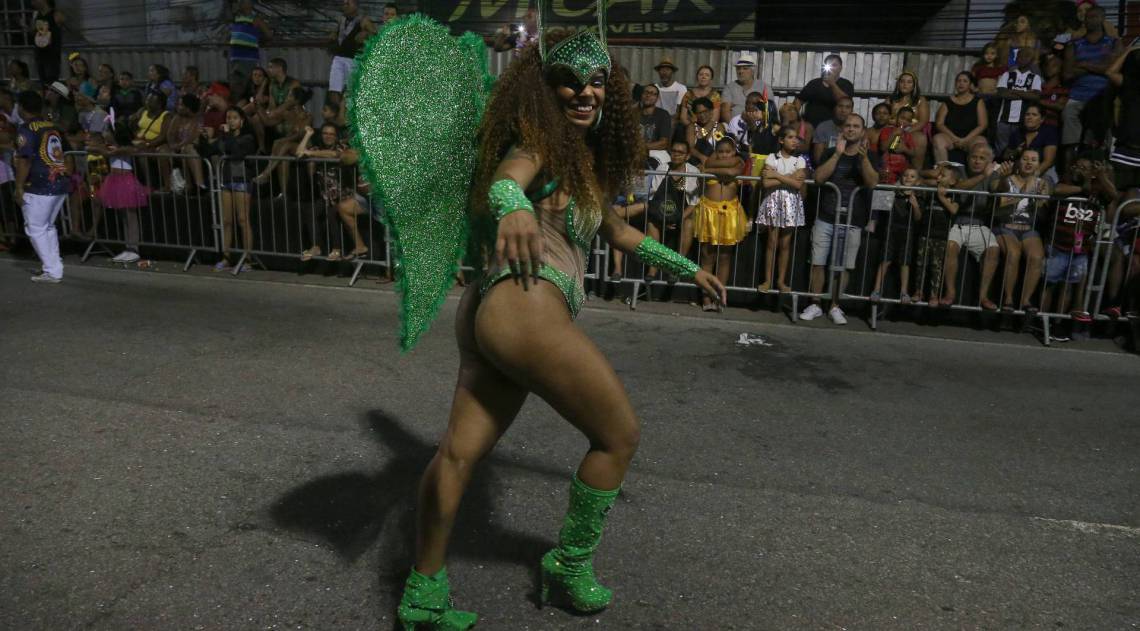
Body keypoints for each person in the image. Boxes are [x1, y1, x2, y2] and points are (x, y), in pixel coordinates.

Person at [345, 15, 726, 628]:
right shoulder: (538, 142)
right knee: (618, 436)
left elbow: (618, 230)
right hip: (526, 305)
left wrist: (687, 266)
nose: (585, 91)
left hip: (493, 315)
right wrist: (513, 208)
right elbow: (506, 183)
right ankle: (568, 567)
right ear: (541, 89)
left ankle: (423, 595)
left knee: (458, 454)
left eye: (598, 81)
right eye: (568, 81)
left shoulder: (580, 163)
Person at [801, 113, 880, 324]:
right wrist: (837, 155)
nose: (851, 129)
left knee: (843, 266)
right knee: (818, 262)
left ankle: (835, 305)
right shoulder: (830, 152)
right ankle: (816, 303)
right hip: (826, 216)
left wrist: (863, 159)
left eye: (856, 126)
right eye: (848, 126)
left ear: (863, 131)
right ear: (842, 130)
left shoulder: (870, 156)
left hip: (853, 219)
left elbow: (872, 183)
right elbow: (818, 178)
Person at [1044, 156, 1117, 321]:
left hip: (1080, 247)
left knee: (1068, 286)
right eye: (1077, 166)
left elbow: (1113, 194)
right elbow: (1056, 190)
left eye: (1084, 168)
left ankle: (1057, 322)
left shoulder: (1098, 188)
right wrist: (1082, 189)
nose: (1078, 170)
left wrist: (1101, 176)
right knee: (1050, 284)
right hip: (1058, 244)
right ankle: (1041, 320)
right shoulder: (1066, 181)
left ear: (1092, 172)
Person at [13, 90, 72, 283]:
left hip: (40, 185)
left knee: (36, 228)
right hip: (59, 181)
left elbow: (25, 160)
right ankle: (55, 267)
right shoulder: (52, 126)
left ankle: (52, 270)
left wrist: (19, 187)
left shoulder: (27, 128)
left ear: (22, 107)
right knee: (48, 227)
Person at [939, 142, 1001, 310]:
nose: (977, 161)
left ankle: (983, 296)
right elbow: (959, 187)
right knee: (950, 247)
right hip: (958, 223)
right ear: (968, 158)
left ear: (989, 161)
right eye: (974, 157)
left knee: (993, 249)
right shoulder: (960, 171)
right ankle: (950, 293)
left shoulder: (993, 175)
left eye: (982, 158)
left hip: (979, 225)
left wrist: (1003, 179)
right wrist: (982, 176)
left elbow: (997, 189)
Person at [296, 123, 368, 261]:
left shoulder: (342, 147)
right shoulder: (317, 148)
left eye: (331, 134)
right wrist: (308, 134)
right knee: (309, 210)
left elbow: (336, 155)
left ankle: (336, 249)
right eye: (325, 133)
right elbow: (299, 152)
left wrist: (311, 153)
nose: (328, 136)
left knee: (332, 212)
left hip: (343, 194)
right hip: (326, 196)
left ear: (336, 136)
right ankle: (316, 246)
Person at [197, 107, 257, 272]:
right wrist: (203, 139)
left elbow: (237, 153)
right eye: (228, 117)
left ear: (242, 121)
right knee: (226, 221)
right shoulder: (224, 138)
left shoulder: (248, 138)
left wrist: (228, 135)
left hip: (242, 181)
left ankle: (248, 259)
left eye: (234, 118)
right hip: (226, 181)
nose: (231, 121)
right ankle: (226, 256)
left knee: (243, 220)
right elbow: (208, 151)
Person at [694, 137, 746, 311]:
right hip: (709, 212)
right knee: (707, 256)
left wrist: (709, 168)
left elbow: (732, 174)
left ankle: (719, 296)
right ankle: (706, 297)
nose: (724, 155)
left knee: (725, 257)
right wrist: (713, 165)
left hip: (730, 213)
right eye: (720, 152)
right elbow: (722, 168)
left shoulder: (738, 163)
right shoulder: (713, 160)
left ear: (734, 152)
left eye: (728, 152)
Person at [994, 148, 1049, 312]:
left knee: (1037, 257)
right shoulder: (1007, 180)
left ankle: (1026, 300)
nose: (1029, 162)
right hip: (1006, 227)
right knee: (1014, 254)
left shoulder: (1042, 184)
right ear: (1018, 161)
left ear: (1038, 164)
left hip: (1028, 229)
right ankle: (1009, 299)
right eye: (1025, 158)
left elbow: (1043, 212)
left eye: (1033, 159)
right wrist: (1021, 192)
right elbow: (1001, 203)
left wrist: (1039, 201)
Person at [1062, 5, 1120, 155]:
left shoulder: (1113, 42)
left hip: (1104, 94)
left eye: (1094, 16)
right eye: (1088, 17)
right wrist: (1100, 66)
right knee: (1069, 112)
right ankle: (1071, 159)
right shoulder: (1074, 44)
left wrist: (1084, 65)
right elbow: (1067, 74)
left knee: (1109, 115)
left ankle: (1106, 154)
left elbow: (1112, 69)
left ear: (1102, 19)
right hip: (1078, 95)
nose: (1090, 20)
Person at [756, 126, 807, 293]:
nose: (794, 140)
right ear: (781, 140)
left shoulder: (800, 160)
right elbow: (766, 183)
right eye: (790, 137)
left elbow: (798, 184)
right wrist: (789, 178)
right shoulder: (772, 157)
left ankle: (781, 280)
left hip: (791, 203)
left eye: (796, 138)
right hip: (774, 201)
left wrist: (776, 175)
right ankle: (767, 280)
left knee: (785, 244)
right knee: (771, 242)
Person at [95, 120, 151, 264]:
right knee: (124, 216)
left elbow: (124, 150)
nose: (105, 134)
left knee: (130, 216)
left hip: (126, 181)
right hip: (114, 180)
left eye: (107, 131)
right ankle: (128, 247)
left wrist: (102, 149)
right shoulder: (115, 147)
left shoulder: (126, 148)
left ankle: (134, 249)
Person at [870, 167, 922, 303]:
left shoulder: (918, 195)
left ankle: (904, 292)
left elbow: (918, 218)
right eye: (905, 175)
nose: (908, 178)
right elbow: (879, 206)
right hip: (890, 229)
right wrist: (887, 189)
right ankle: (876, 289)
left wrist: (915, 206)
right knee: (885, 259)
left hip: (907, 230)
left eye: (912, 176)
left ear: (917, 181)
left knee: (905, 261)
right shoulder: (893, 191)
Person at [912, 163, 956, 304]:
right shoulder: (931, 190)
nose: (939, 176)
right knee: (920, 264)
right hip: (925, 232)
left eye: (943, 175)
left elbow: (954, 210)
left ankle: (933, 294)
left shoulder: (954, 194)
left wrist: (942, 197)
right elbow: (920, 178)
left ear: (952, 181)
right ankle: (918, 291)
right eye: (939, 174)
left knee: (936, 267)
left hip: (941, 236)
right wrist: (933, 174)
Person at [327, 0, 377, 105]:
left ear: (355, 5)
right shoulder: (341, 19)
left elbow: (376, 35)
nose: (345, 6)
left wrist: (366, 34)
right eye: (343, 3)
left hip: (353, 59)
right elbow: (336, 34)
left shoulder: (363, 20)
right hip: (338, 57)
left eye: (348, 3)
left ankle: (349, 116)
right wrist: (332, 36)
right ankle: (336, 115)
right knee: (334, 89)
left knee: (351, 91)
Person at [994, 48, 1042, 157]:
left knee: (1018, 151)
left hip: (1022, 121)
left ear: (1031, 60)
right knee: (1001, 151)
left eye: (1027, 56)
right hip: (1004, 120)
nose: (1023, 59)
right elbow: (1002, 93)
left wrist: (1013, 90)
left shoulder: (1035, 77)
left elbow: (1035, 96)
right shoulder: (1007, 74)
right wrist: (1025, 94)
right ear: (1017, 58)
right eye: (1021, 56)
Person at [932, 71, 988, 165]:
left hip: (970, 138)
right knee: (938, 139)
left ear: (970, 84)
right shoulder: (948, 102)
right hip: (951, 137)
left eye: (965, 81)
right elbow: (939, 124)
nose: (961, 83)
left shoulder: (978, 102)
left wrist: (965, 140)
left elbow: (982, 125)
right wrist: (954, 138)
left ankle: (974, 175)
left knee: (981, 142)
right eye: (959, 81)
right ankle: (943, 170)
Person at [793, 53, 855, 128]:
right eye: (828, 65)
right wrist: (796, 120)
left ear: (840, 68)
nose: (831, 68)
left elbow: (845, 102)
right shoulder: (814, 83)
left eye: (834, 65)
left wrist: (832, 84)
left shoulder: (846, 84)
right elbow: (799, 100)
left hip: (835, 128)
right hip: (812, 127)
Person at [886, 71, 929, 169]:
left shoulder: (920, 100)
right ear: (898, 84)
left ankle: (916, 171)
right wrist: (896, 125)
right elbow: (884, 116)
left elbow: (923, 121)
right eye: (902, 81)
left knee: (920, 138)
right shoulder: (891, 100)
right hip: (893, 129)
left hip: (913, 130)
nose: (905, 84)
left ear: (914, 85)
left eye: (909, 82)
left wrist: (906, 131)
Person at [1007, 104, 1059, 180]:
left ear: (1042, 119)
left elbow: (1048, 161)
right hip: (1020, 172)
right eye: (1027, 114)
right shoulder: (1017, 133)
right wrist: (1016, 151)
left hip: (1043, 172)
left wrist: (1032, 177)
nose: (1029, 117)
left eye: (1034, 115)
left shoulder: (1049, 132)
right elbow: (1006, 155)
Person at [228, 0, 273, 86]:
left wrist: (258, 40)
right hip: (235, 56)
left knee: (247, 83)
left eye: (246, 2)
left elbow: (269, 35)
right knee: (235, 83)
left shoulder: (256, 19)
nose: (242, 3)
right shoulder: (236, 18)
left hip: (248, 57)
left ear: (251, 4)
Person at [685, 96, 727, 167]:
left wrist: (708, 162)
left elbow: (719, 147)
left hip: (713, 161)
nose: (702, 115)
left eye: (705, 111)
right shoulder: (691, 127)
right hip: (694, 162)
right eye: (699, 113)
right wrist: (702, 158)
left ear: (711, 111)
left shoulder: (719, 128)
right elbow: (690, 148)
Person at [720, 52, 762, 122]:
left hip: (757, 125)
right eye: (738, 69)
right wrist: (733, 127)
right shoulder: (729, 87)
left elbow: (768, 110)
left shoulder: (762, 86)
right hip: (734, 125)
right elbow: (725, 110)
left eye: (745, 68)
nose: (740, 71)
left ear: (752, 71)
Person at [879, 106, 917, 183]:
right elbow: (883, 148)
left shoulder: (908, 135)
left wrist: (904, 149)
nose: (904, 122)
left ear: (910, 123)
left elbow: (913, 153)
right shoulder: (887, 131)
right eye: (902, 118)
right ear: (896, 118)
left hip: (902, 172)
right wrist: (894, 134)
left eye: (908, 120)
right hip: (887, 169)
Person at [811, 96, 853, 165]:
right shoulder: (823, 127)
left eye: (847, 107)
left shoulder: (856, 128)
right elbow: (818, 159)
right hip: (827, 167)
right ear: (834, 108)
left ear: (852, 110)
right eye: (840, 106)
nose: (843, 110)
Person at [30, 0, 64, 85]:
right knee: (43, 82)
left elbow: (60, 27)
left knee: (52, 83)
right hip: (40, 54)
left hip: (51, 56)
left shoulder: (56, 14)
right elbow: (32, 32)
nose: (32, 3)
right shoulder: (36, 14)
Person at [638, 84, 672, 166]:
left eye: (653, 93)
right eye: (646, 92)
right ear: (641, 95)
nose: (648, 95)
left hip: (655, 153)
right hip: (634, 152)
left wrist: (642, 148)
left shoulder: (663, 114)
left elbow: (663, 143)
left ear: (657, 98)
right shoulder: (632, 113)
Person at [1038, 54, 1069, 129]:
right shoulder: (1038, 86)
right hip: (1034, 126)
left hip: (1052, 127)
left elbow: (1060, 106)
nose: (1049, 68)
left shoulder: (1063, 89)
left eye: (1054, 65)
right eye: (1047, 65)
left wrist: (1039, 101)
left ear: (1060, 68)